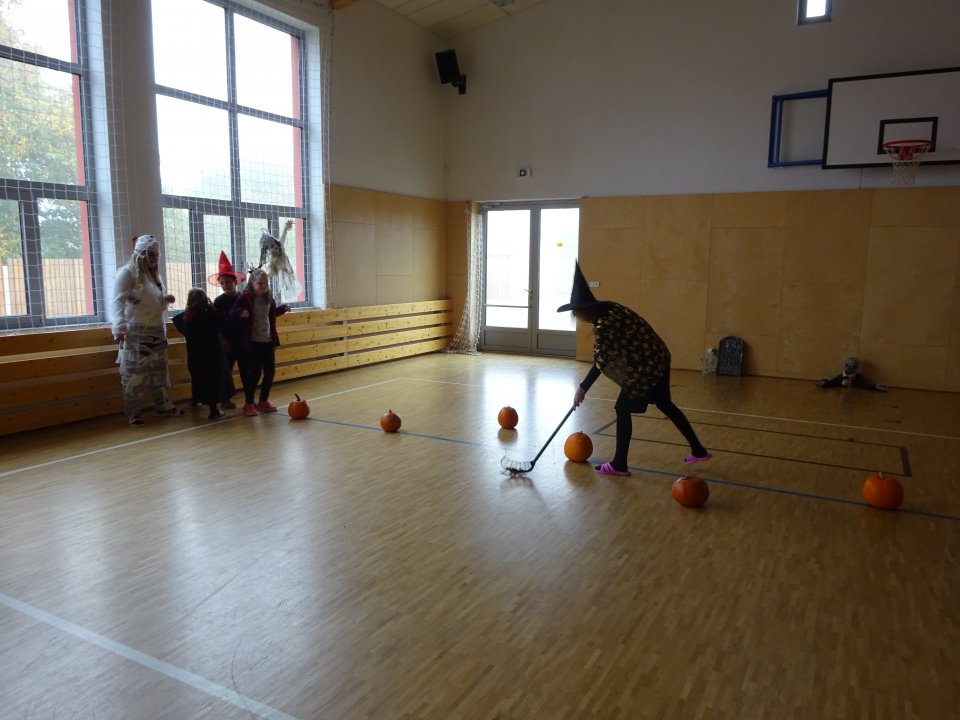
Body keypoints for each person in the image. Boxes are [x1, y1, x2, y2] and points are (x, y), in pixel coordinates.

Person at [560, 261, 711, 476]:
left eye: (575, 313)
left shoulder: (605, 325)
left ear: (584, 310)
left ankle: (619, 465)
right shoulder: (612, 308)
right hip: (658, 356)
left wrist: (582, 388)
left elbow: (601, 362)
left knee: (622, 408)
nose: (576, 317)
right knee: (665, 403)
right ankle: (698, 450)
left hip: (646, 365)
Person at [110, 234, 185, 426]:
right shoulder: (127, 273)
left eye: (156, 255)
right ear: (141, 254)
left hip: (157, 331)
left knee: (160, 372)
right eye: (150, 255)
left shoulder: (154, 276)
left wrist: (165, 300)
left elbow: (151, 302)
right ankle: (133, 412)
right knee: (134, 375)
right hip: (136, 332)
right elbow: (117, 302)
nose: (154, 259)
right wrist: (119, 328)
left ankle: (164, 406)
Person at [229, 267, 290, 416]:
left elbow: (272, 313)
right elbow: (232, 312)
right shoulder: (245, 297)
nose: (264, 286)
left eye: (266, 283)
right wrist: (241, 312)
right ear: (252, 283)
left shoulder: (268, 297)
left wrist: (283, 308)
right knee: (255, 372)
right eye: (260, 283)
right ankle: (249, 403)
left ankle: (263, 401)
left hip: (267, 339)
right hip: (253, 341)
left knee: (270, 371)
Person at [174, 288, 228, 420]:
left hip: (194, 355)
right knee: (212, 381)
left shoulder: (187, 317)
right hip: (211, 354)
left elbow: (177, 320)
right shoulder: (209, 315)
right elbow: (221, 321)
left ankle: (195, 399)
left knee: (197, 377)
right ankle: (213, 411)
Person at [209, 251, 246, 409]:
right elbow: (215, 324)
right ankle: (225, 399)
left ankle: (249, 399)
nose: (225, 285)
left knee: (246, 370)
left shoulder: (243, 298)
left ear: (235, 282)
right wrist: (222, 340)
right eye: (222, 283)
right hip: (227, 343)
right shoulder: (219, 301)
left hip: (243, 340)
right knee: (226, 371)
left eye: (228, 282)